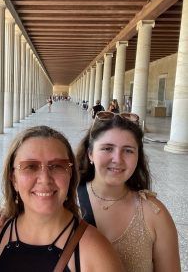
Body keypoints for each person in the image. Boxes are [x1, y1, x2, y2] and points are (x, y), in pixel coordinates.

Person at [0, 125, 123, 272]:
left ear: (70, 176)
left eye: (57, 166)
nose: (45, 179)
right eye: (30, 166)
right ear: (13, 179)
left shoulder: (95, 251)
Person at [76, 111, 180, 272]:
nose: (117, 159)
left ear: (138, 157)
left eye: (128, 150)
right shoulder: (67, 202)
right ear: (91, 154)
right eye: (107, 148)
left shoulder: (154, 213)